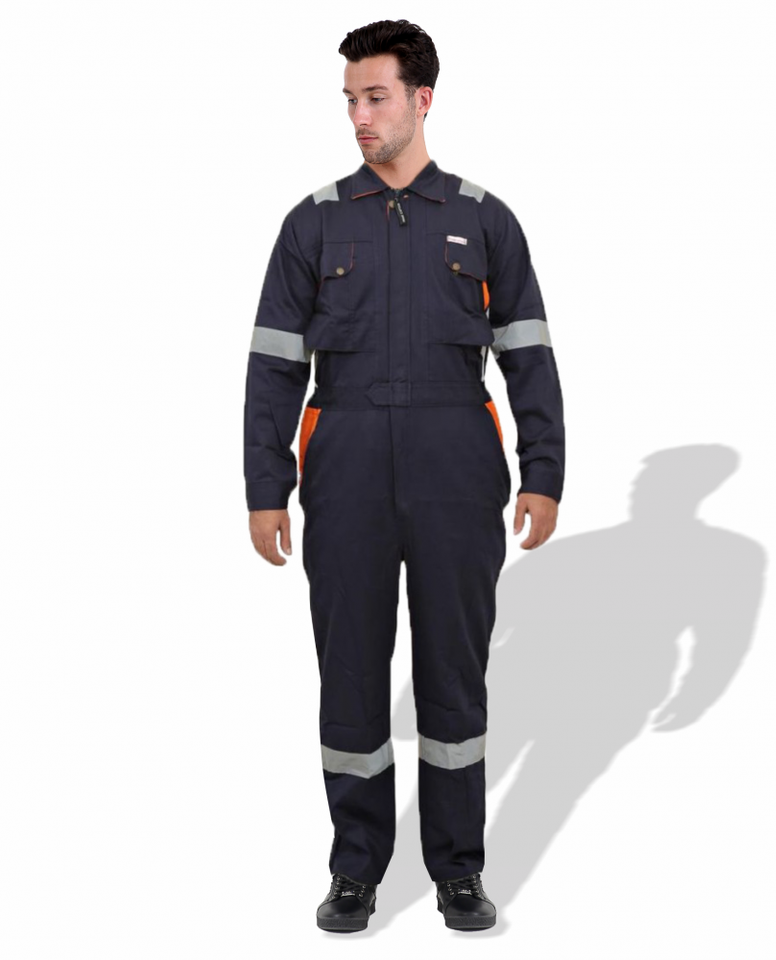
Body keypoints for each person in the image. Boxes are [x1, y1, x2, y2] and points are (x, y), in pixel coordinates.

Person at [243, 19, 565, 932]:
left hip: (458, 464)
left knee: (453, 676)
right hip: (343, 464)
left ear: (422, 99)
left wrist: (544, 470)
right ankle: (356, 870)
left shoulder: (484, 219)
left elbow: (529, 354)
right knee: (350, 673)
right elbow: (274, 366)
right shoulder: (312, 222)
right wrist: (266, 486)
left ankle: (458, 869)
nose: (360, 115)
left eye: (376, 96)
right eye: (350, 99)